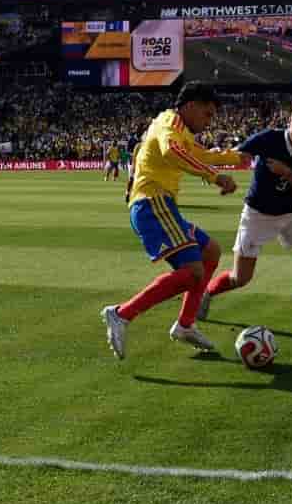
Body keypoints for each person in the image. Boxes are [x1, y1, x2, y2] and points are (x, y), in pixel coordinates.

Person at [100, 83, 241, 359]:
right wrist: (215, 176)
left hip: (161, 206)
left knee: (210, 250)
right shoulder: (170, 120)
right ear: (189, 106)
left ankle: (186, 325)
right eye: (207, 114)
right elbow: (171, 152)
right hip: (152, 203)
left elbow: (198, 154)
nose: (208, 121)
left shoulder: (181, 130)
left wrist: (236, 156)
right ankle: (121, 314)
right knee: (193, 272)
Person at [199, 101, 292, 324]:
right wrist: (213, 169)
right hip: (257, 214)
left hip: (291, 214)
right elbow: (238, 155)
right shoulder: (268, 139)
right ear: (289, 122)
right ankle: (206, 293)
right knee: (240, 278)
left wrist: (289, 174)